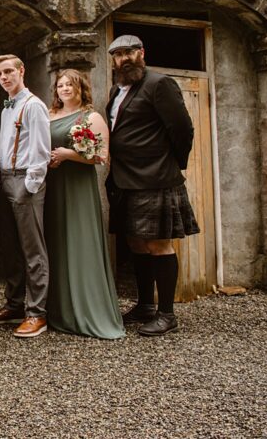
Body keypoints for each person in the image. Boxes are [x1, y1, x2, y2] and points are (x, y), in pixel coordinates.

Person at [106, 35, 197, 336]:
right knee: (135, 242)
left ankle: (167, 314)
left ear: (142, 53)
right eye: (118, 55)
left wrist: (171, 163)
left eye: (129, 52)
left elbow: (182, 128)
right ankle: (145, 305)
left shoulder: (159, 84)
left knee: (158, 243)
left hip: (156, 177)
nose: (124, 59)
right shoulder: (117, 90)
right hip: (124, 179)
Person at [45, 69, 124, 339]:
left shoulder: (91, 117)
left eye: (70, 84)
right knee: (55, 242)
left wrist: (69, 154)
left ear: (81, 88)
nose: (65, 89)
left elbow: (102, 156)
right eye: (61, 85)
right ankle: (58, 311)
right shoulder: (49, 114)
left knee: (79, 241)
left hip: (78, 187)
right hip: (52, 185)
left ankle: (88, 311)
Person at [0, 54, 51, 338]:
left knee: (32, 249)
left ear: (22, 71)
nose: (4, 77)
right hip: (5, 179)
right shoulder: (7, 107)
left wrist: (30, 185)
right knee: (10, 248)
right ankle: (14, 305)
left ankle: (37, 313)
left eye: (9, 71)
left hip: (25, 179)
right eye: (0, 73)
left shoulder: (33, 105)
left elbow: (41, 149)